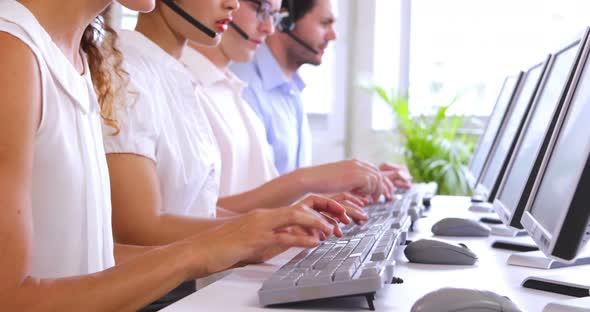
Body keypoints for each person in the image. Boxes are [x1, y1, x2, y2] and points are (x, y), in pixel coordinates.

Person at [0, 0, 348, 310]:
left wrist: (245, 241)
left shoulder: (78, 59)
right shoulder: (12, 50)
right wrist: (200, 252)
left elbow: (91, 259)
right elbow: (12, 299)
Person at [181, 0, 390, 223]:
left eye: (273, 15)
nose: (269, 28)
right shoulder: (198, 88)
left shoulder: (231, 89)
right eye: (260, 10)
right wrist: (305, 183)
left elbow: (263, 203)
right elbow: (191, 214)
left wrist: (321, 203)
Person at [231, 0, 412, 188]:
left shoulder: (291, 90)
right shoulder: (243, 87)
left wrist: (361, 182)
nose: (333, 35)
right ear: (285, 21)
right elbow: (249, 201)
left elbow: (288, 195)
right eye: (325, 23)